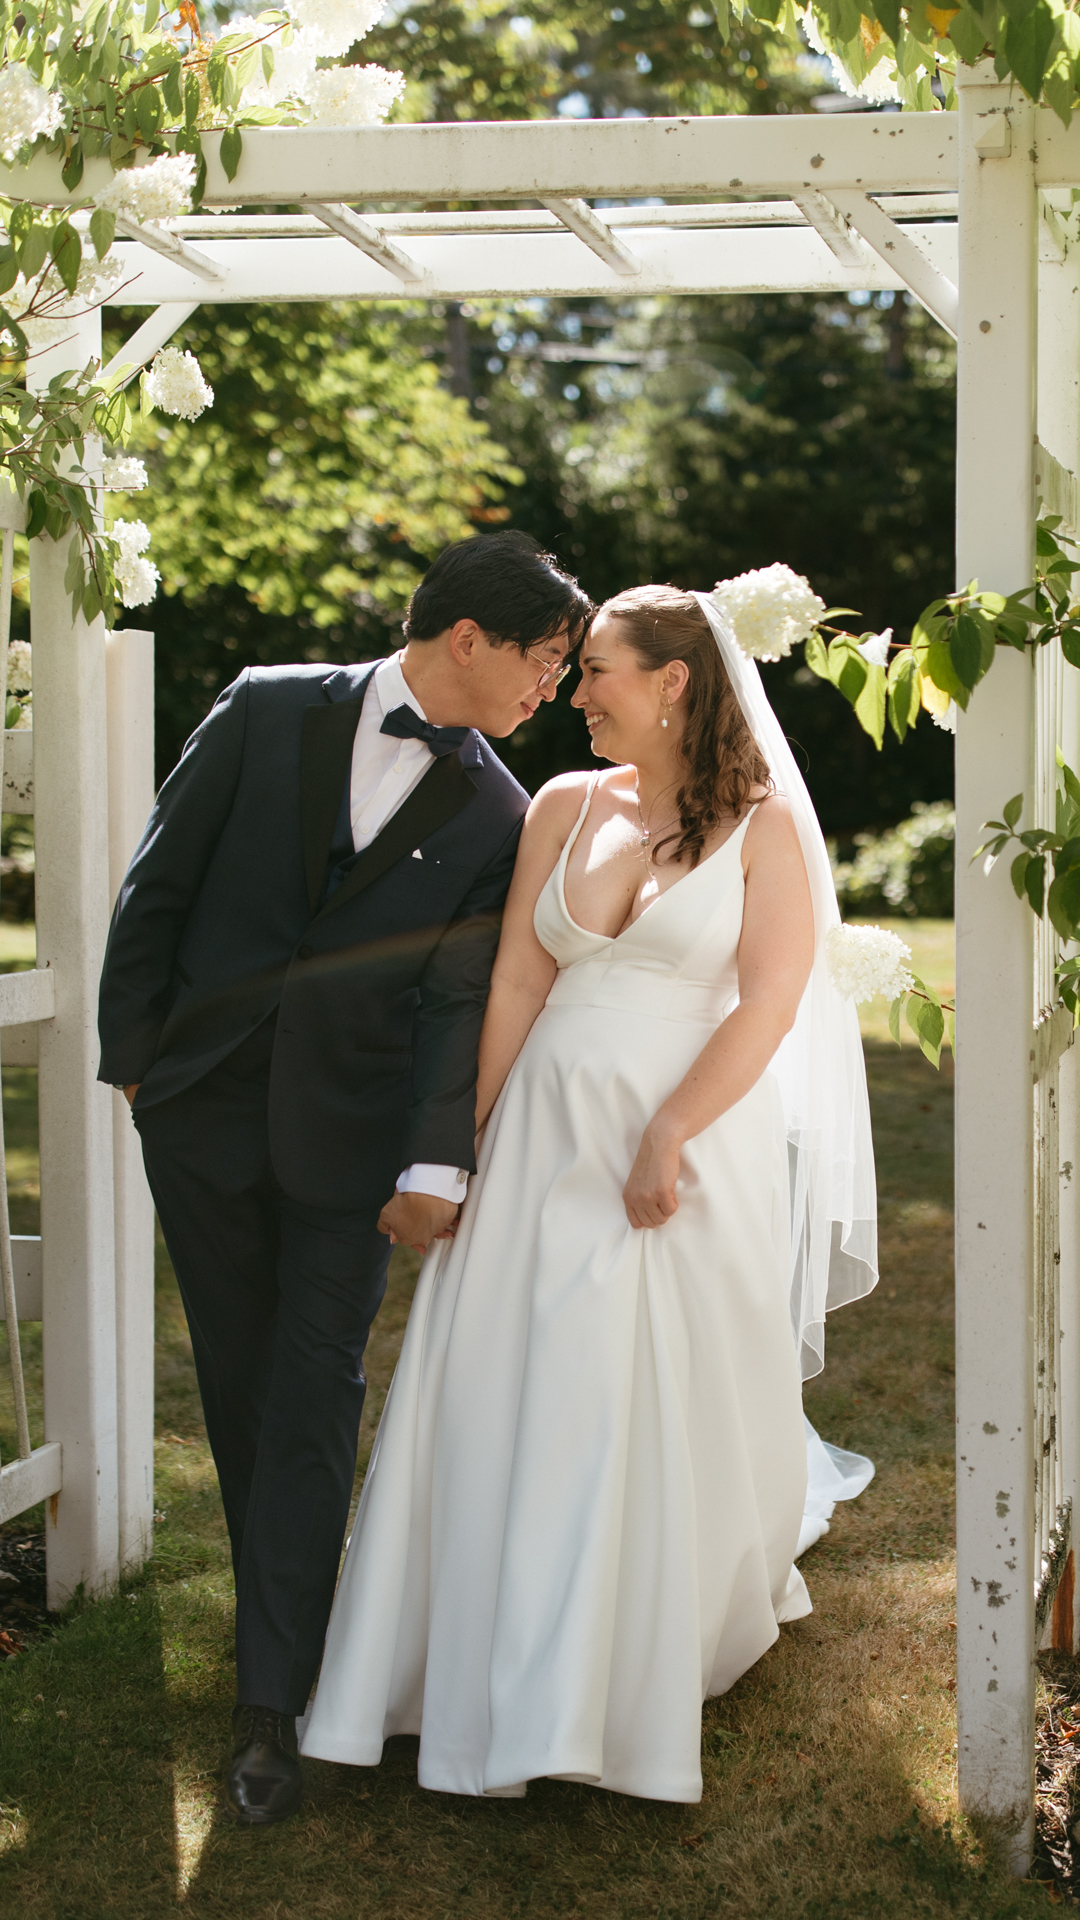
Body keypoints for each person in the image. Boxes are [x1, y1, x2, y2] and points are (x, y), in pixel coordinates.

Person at [300, 583, 878, 1802]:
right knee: (511, 1381)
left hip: (680, 1141)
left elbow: (769, 1005)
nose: (573, 695)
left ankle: (610, 1671)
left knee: (626, 1395)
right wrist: (456, 1152)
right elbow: (513, 982)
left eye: (598, 670)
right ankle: (474, 1652)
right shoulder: (562, 805)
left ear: (673, 681)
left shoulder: (761, 828)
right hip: (542, 1128)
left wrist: (668, 1131)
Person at [96, 530, 593, 1826]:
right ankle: (293, 1634)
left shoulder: (498, 808)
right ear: (468, 637)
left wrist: (434, 1154)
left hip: (351, 1146)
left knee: (314, 1390)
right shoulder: (264, 706)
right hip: (197, 1114)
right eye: (546, 660)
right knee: (240, 1379)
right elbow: (161, 881)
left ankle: (274, 1707)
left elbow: (452, 1001)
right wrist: (134, 1059)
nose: (555, 687)